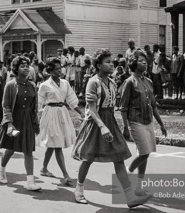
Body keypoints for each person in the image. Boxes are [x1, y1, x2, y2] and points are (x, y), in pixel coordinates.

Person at [71, 49, 151, 208]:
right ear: (99, 65)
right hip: (96, 123)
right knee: (88, 158)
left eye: (111, 61)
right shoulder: (93, 82)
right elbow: (92, 110)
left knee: (119, 158)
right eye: (107, 62)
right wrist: (102, 127)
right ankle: (79, 190)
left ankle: (130, 197)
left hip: (110, 120)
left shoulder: (113, 82)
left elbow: (116, 104)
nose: (111, 64)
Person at [119, 51, 167, 196]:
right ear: (134, 64)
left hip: (148, 122)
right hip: (135, 121)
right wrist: (125, 127)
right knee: (144, 152)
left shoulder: (149, 82)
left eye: (145, 60)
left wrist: (161, 124)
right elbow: (123, 107)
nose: (144, 62)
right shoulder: (129, 82)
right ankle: (127, 173)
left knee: (146, 154)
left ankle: (139, 186)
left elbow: (153, 106)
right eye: (140, 60)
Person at [0, 56, 41, 191]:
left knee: (28, 150)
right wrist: (9, 123)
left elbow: (34, 107)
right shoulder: (10, 85)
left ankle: (30, 182)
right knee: (11, 148)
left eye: (27, 65)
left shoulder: (32, 85)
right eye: (22, 65)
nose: (26, 68)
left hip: (27, 121)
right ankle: (2, 169)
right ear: (16, 68)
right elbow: (6, 106)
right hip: (14, 121)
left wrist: (35, 123)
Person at [38, 58, 84, 184]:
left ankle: (44, 168)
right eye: (57, 69)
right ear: (50, 71)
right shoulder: (44, 85)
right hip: (50, 114)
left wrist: (80, 113)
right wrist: (36, 119)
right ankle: (65, 174)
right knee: (57, 144)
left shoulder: (65, 83)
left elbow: (71, 100)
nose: (60, 71)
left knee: (54, 143)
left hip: (62, 113)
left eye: (60, 69)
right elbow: (39, 103)